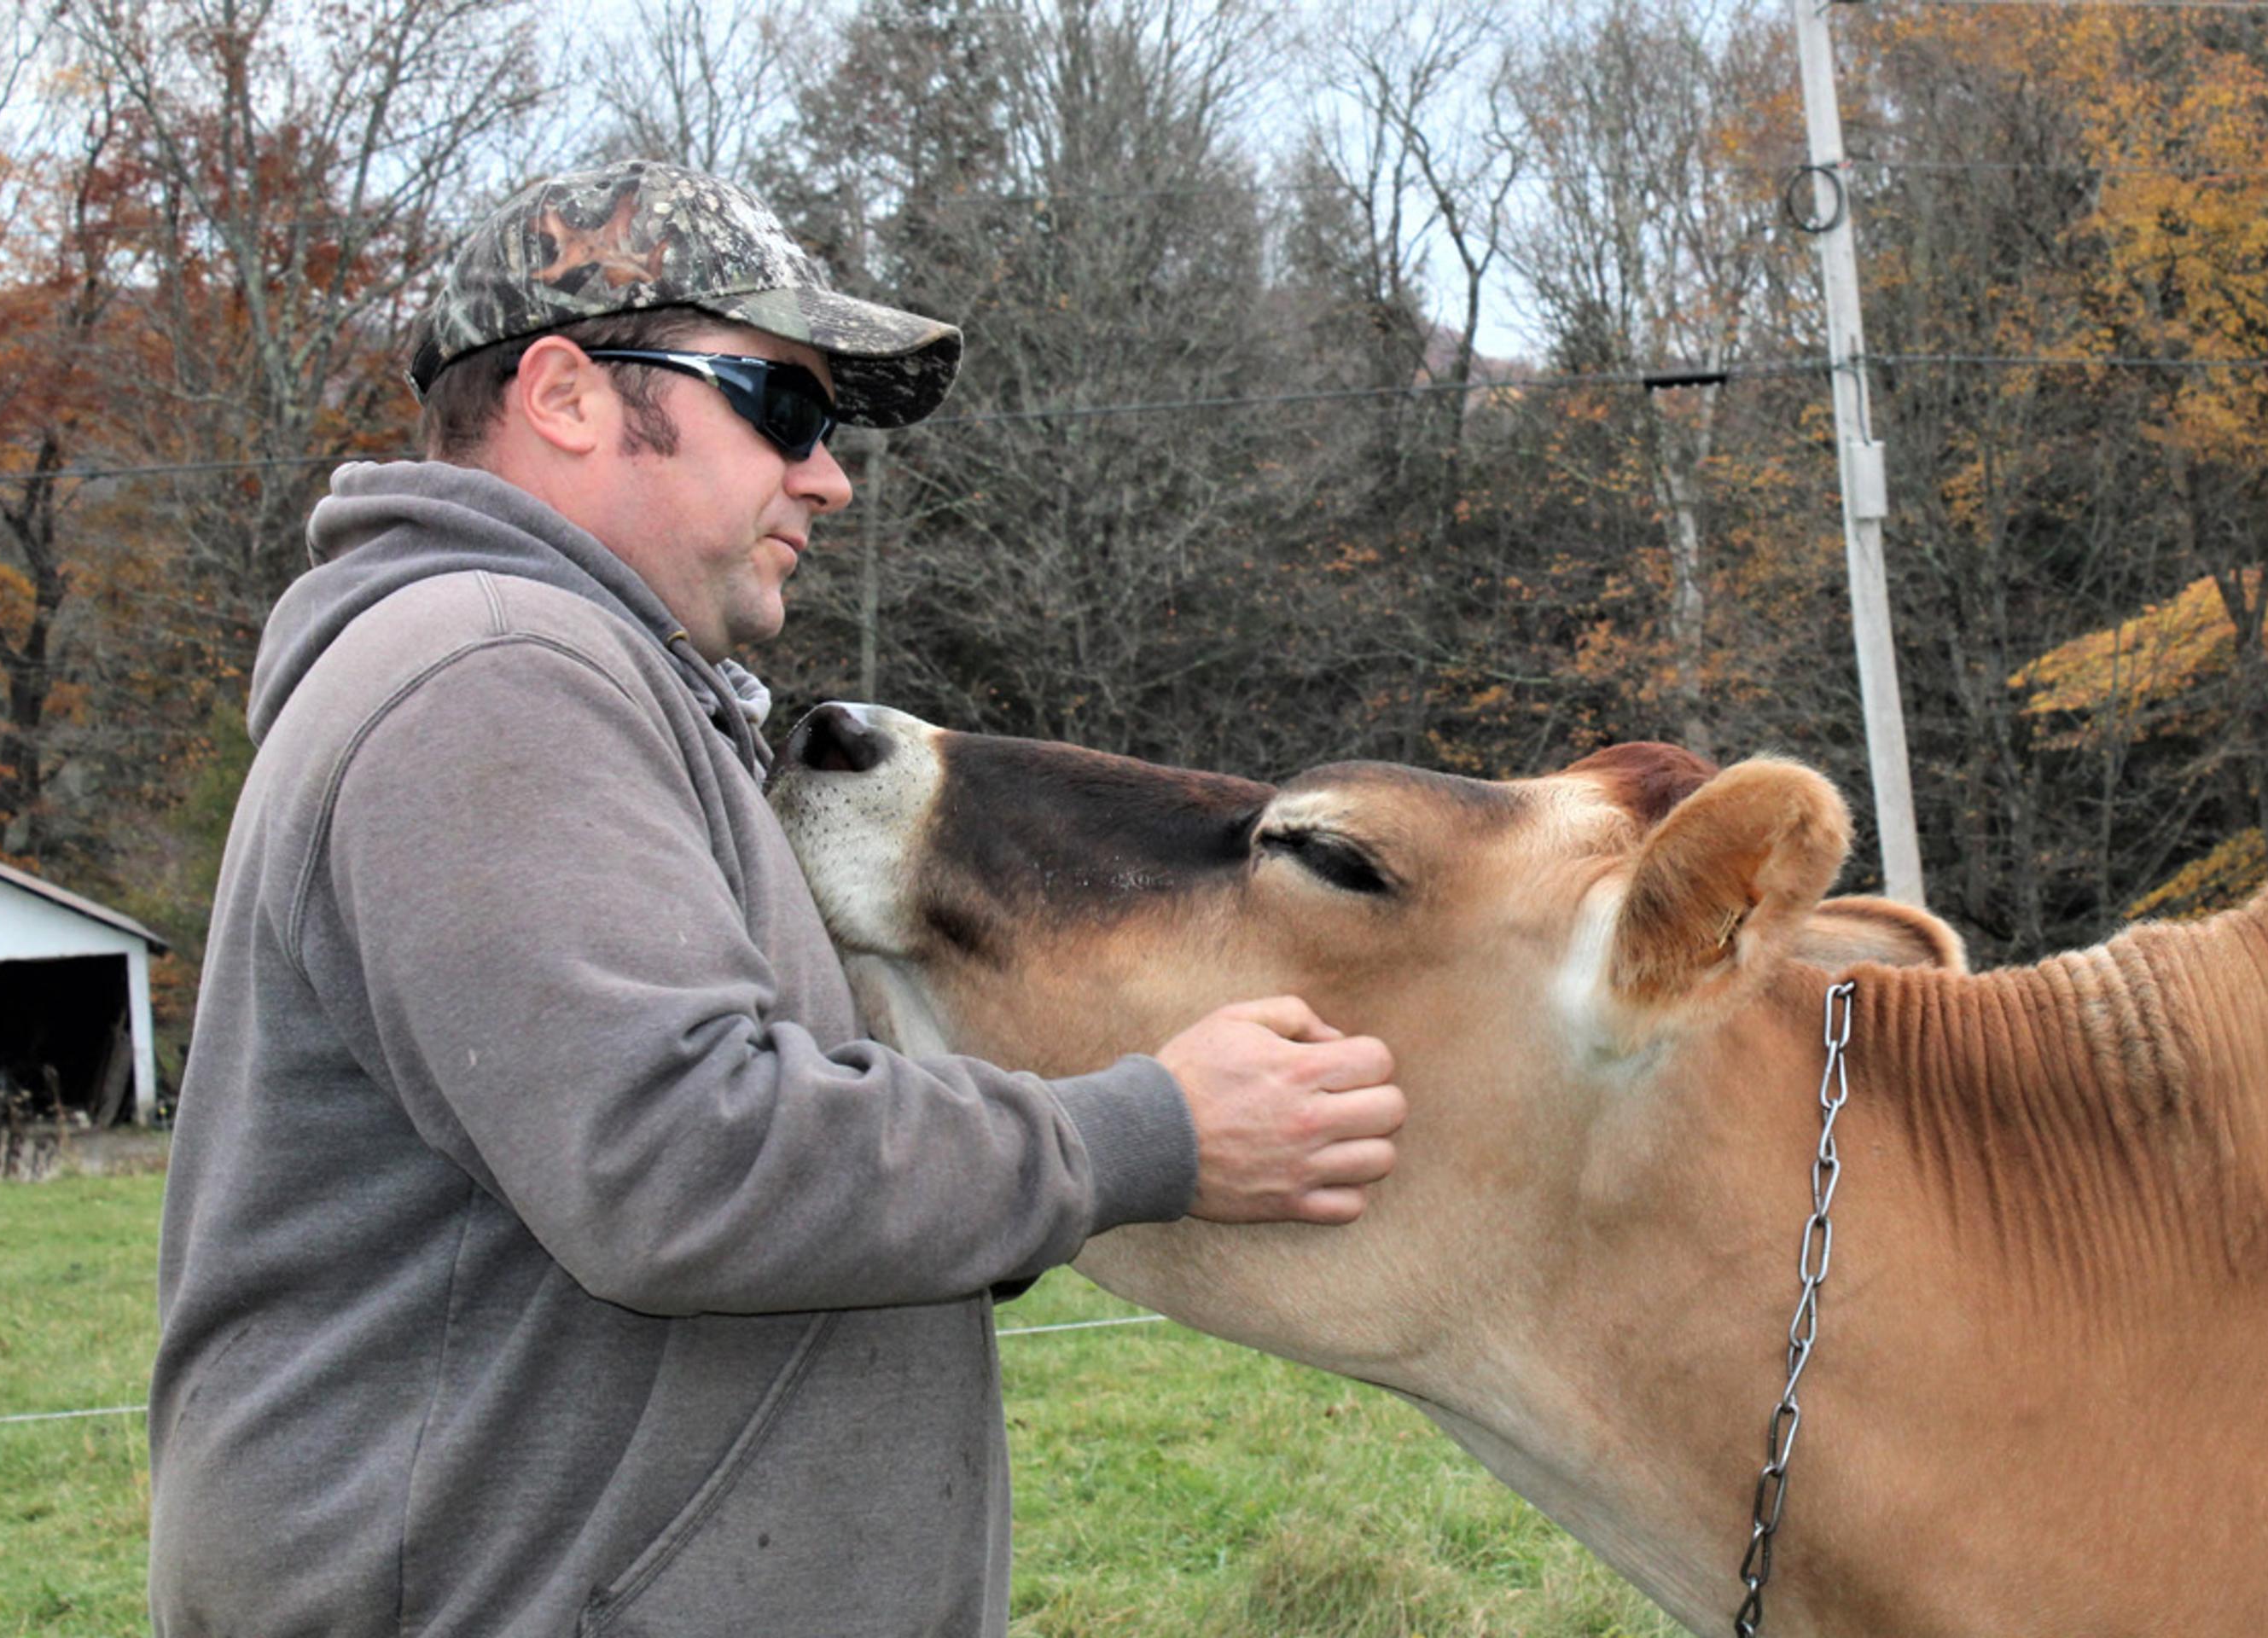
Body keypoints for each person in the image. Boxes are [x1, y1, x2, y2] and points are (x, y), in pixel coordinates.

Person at [148, 159, 1407, 1637]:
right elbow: (680, 1165)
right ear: (566, 396)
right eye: (784, 409)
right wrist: (1142, 1136)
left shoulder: (572, 682)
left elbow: (703, 1155)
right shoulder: (491, 674)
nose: (828, 475)